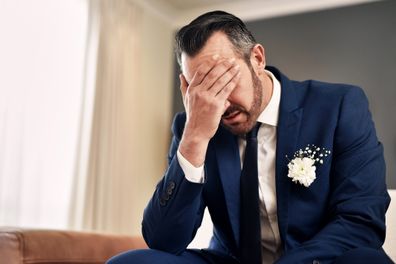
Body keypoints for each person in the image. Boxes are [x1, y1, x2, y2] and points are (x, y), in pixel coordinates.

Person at [107, 11, 392, 264]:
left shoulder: (338, 105)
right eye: (201, 89)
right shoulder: (191, 127)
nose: (218, 102)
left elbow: (361, 220)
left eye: (223, 81)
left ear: (257, 58)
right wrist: (195, 138)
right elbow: (163, 241)